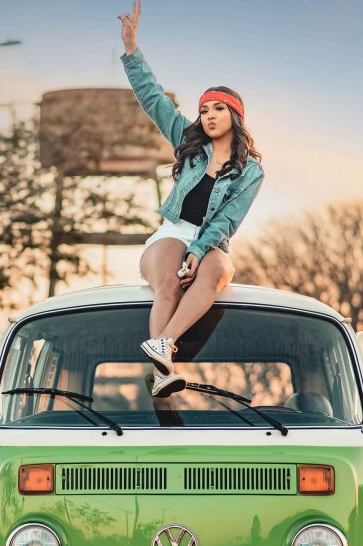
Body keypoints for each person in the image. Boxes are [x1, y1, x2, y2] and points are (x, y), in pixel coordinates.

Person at [118, 1, 264, 397]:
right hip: (172, 232)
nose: (209, 115)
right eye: (204, 110)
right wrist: (132, 50)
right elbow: (154, 100)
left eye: (219, 108)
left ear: (236, 115)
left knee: (218, 270)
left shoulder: (250, 170)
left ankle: (162, 345)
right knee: (169, 282)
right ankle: (165, 359)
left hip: (212, 240)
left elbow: (226, 221)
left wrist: (199, 251)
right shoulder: (188, 141)